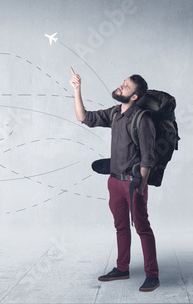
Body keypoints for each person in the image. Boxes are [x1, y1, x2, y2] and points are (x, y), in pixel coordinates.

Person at [69, 67, 160, 292]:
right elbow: (84, 117)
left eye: (126, 86)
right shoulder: (115, 113)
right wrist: (77, 89)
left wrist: (141, 184)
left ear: (135, 96)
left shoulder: (142, 119)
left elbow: (149, 157)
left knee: (142, 228)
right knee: (120, 226)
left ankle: (153, 275)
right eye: (123, 83)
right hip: (114, 181)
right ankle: (122, 268)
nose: (121, 86)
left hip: (133, 183)